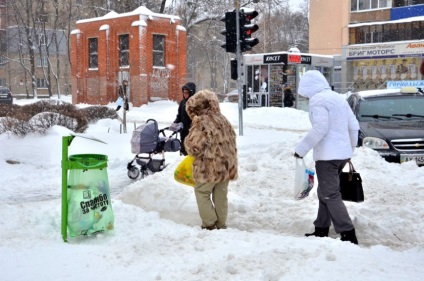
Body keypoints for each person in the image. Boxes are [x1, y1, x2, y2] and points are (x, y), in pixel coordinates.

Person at [293, 70, 360, 245]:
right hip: (341, 155)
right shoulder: (338, 98)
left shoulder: (317, 100)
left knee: (330, 194)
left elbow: (320, 129)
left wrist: (301, 150)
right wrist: (349, 149)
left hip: (327, 157)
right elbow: (354, 125)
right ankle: (321, 228)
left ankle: (347, 233)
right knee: (325, 192)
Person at [184, 90, 238, 230]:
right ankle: (221, 224)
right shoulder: (223, 119)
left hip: (209, 166)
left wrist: (187, 143)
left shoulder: (202, 121)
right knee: (221, 195)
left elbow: (194, 146)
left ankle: (209, 223)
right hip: (226, 165)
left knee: (202, 192)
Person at [173, 82, 196, 155]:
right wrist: (175, 123)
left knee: (192, 150)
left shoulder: (195, 103)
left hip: (193, 132)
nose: (184, 94)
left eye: (187, 92)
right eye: (184, 92)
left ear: (191, 92)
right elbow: (179, 115)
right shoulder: (182, 102)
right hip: (183, 131)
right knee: (184, 149)